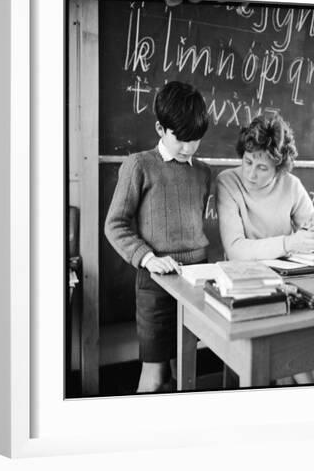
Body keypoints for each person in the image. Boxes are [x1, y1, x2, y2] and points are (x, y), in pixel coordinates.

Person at [104, 81, 211, 393]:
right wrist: (149, 259)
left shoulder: (203, 172)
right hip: (156, 282)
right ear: (160, 128)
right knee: (155, 376)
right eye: (182, 139)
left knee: (186, 372)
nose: (189, 147)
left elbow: (194, 221)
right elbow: (116, 224)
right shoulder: (139, 165)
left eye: (196, 139)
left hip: (196, 279)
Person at [216, 113, 314, 385]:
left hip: (287, 283)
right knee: (287, 353)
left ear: (279, 169)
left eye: (262, 168)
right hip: (246, 286)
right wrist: (290, 243)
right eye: (247, 161)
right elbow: (235, 249)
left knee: (301, 347)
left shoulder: (291, 185)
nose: (250, 173)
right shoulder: (228, 182)